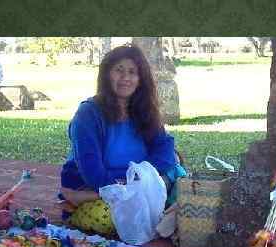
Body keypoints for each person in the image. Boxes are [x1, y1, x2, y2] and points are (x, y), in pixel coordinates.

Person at [59, 44, 183, 236]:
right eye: (119, 70)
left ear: (141, 79)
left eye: (132, 72)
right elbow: (95, 176)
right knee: (109, 217)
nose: (126, 77)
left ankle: (93, 197)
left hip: (134, 186)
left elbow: (166, 152)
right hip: (97, 189)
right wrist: (142, 179)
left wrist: (136, 180)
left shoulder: (144, 110)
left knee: (185, 188)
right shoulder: (88, 114)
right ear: (107, 74)